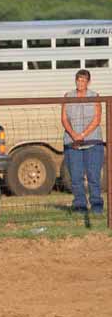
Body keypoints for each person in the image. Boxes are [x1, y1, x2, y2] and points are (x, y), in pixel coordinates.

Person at [61, 69, 104, 214]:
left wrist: (83, 134)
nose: (80, 83)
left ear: (88, 82)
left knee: (93, 175)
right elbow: (64, 118)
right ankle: (80, 206)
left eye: (83, 80)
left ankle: (97, 206)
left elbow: (97, 119)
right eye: (78, 80)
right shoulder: (68, 96)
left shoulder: (95, 97)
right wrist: (73, 134)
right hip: (72, 143)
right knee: (76, 176)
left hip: (92, 141)